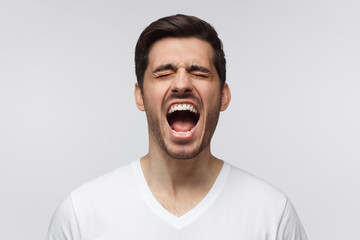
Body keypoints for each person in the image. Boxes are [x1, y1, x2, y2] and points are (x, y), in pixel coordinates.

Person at [47, 14, 307, 240]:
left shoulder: (272, 214)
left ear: (223, 96)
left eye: (199, 73)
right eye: (163, 73)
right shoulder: (81, 214)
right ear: (139, 96)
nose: (181, 84)